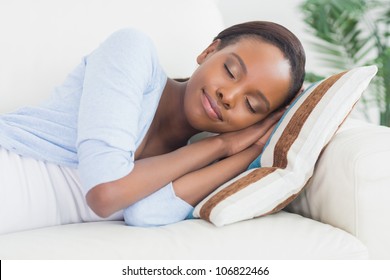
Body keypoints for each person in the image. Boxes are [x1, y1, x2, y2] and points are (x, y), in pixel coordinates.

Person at [0, 21, 305, 234]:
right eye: (230, 70)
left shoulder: (193, 163)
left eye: (251, 106)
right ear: (209, 52)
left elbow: (144, 215)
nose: (229, 96)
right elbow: (104, 195)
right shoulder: (133, 50)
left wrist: (247, 152)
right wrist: (220, 145)